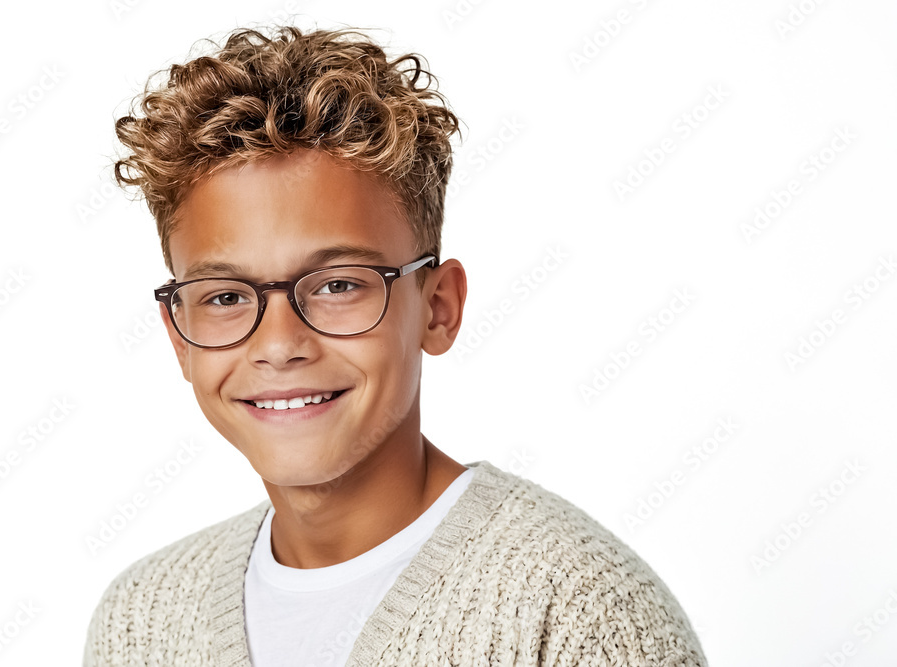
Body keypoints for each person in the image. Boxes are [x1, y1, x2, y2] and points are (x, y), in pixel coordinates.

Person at [82, 24, 708, 666]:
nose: (278, 345)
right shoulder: (141, 620)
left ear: (438, 308)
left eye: (337, 285)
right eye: (225, 297)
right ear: (179, 338)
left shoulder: (579, 610)